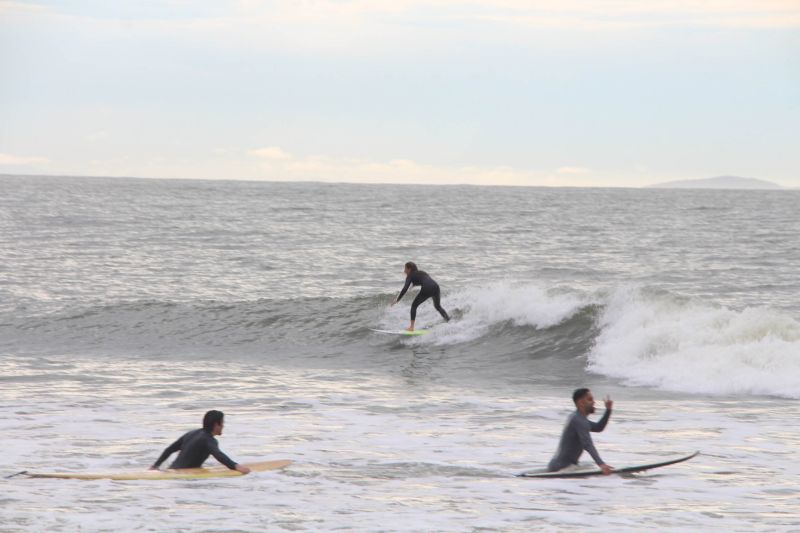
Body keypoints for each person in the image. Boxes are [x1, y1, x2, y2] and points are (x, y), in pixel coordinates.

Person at [150, 410, 251, 474]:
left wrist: (156, 465)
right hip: (184, 476)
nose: (223, 426)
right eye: (222, 423)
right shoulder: (209, 440)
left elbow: (169, 449)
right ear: (216, 424)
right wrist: (236, 466)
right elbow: (218, 454)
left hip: (173, 470)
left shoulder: (191, 433)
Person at [548, 388, 614, 474]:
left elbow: (598, 427)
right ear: (580, 403)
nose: (594, 402)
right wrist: (601, 464)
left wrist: (608, 410)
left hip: (559, 465)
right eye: (590, 399)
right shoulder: (578, 420)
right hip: (562, 468)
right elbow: (587, 444)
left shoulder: (577, 418)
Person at [390, 261, 450, 331]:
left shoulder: (410, 275)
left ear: (409, 269)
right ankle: (448, 320)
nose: (404, 271)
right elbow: (425, 280)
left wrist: (397, 300)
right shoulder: (422, 272)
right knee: (438, 306)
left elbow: (405, 288)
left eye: (405, 269)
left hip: (427, 288)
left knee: (414, 306)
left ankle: (411, 327)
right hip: (436, 286)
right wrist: (415, 284)